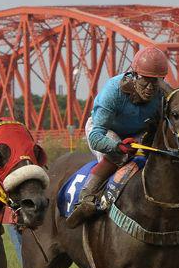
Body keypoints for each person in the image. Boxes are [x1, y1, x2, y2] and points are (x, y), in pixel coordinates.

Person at [65, 46, 170, 228]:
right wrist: (118, 147)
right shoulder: (113, 90)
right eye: (145, 81)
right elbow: (96, 136)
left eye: (156, 82)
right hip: (105, 130)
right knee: (118, 156)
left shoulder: (162, 95)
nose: (150, 88)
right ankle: (86, 199)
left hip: (138, 133)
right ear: (135, 76)